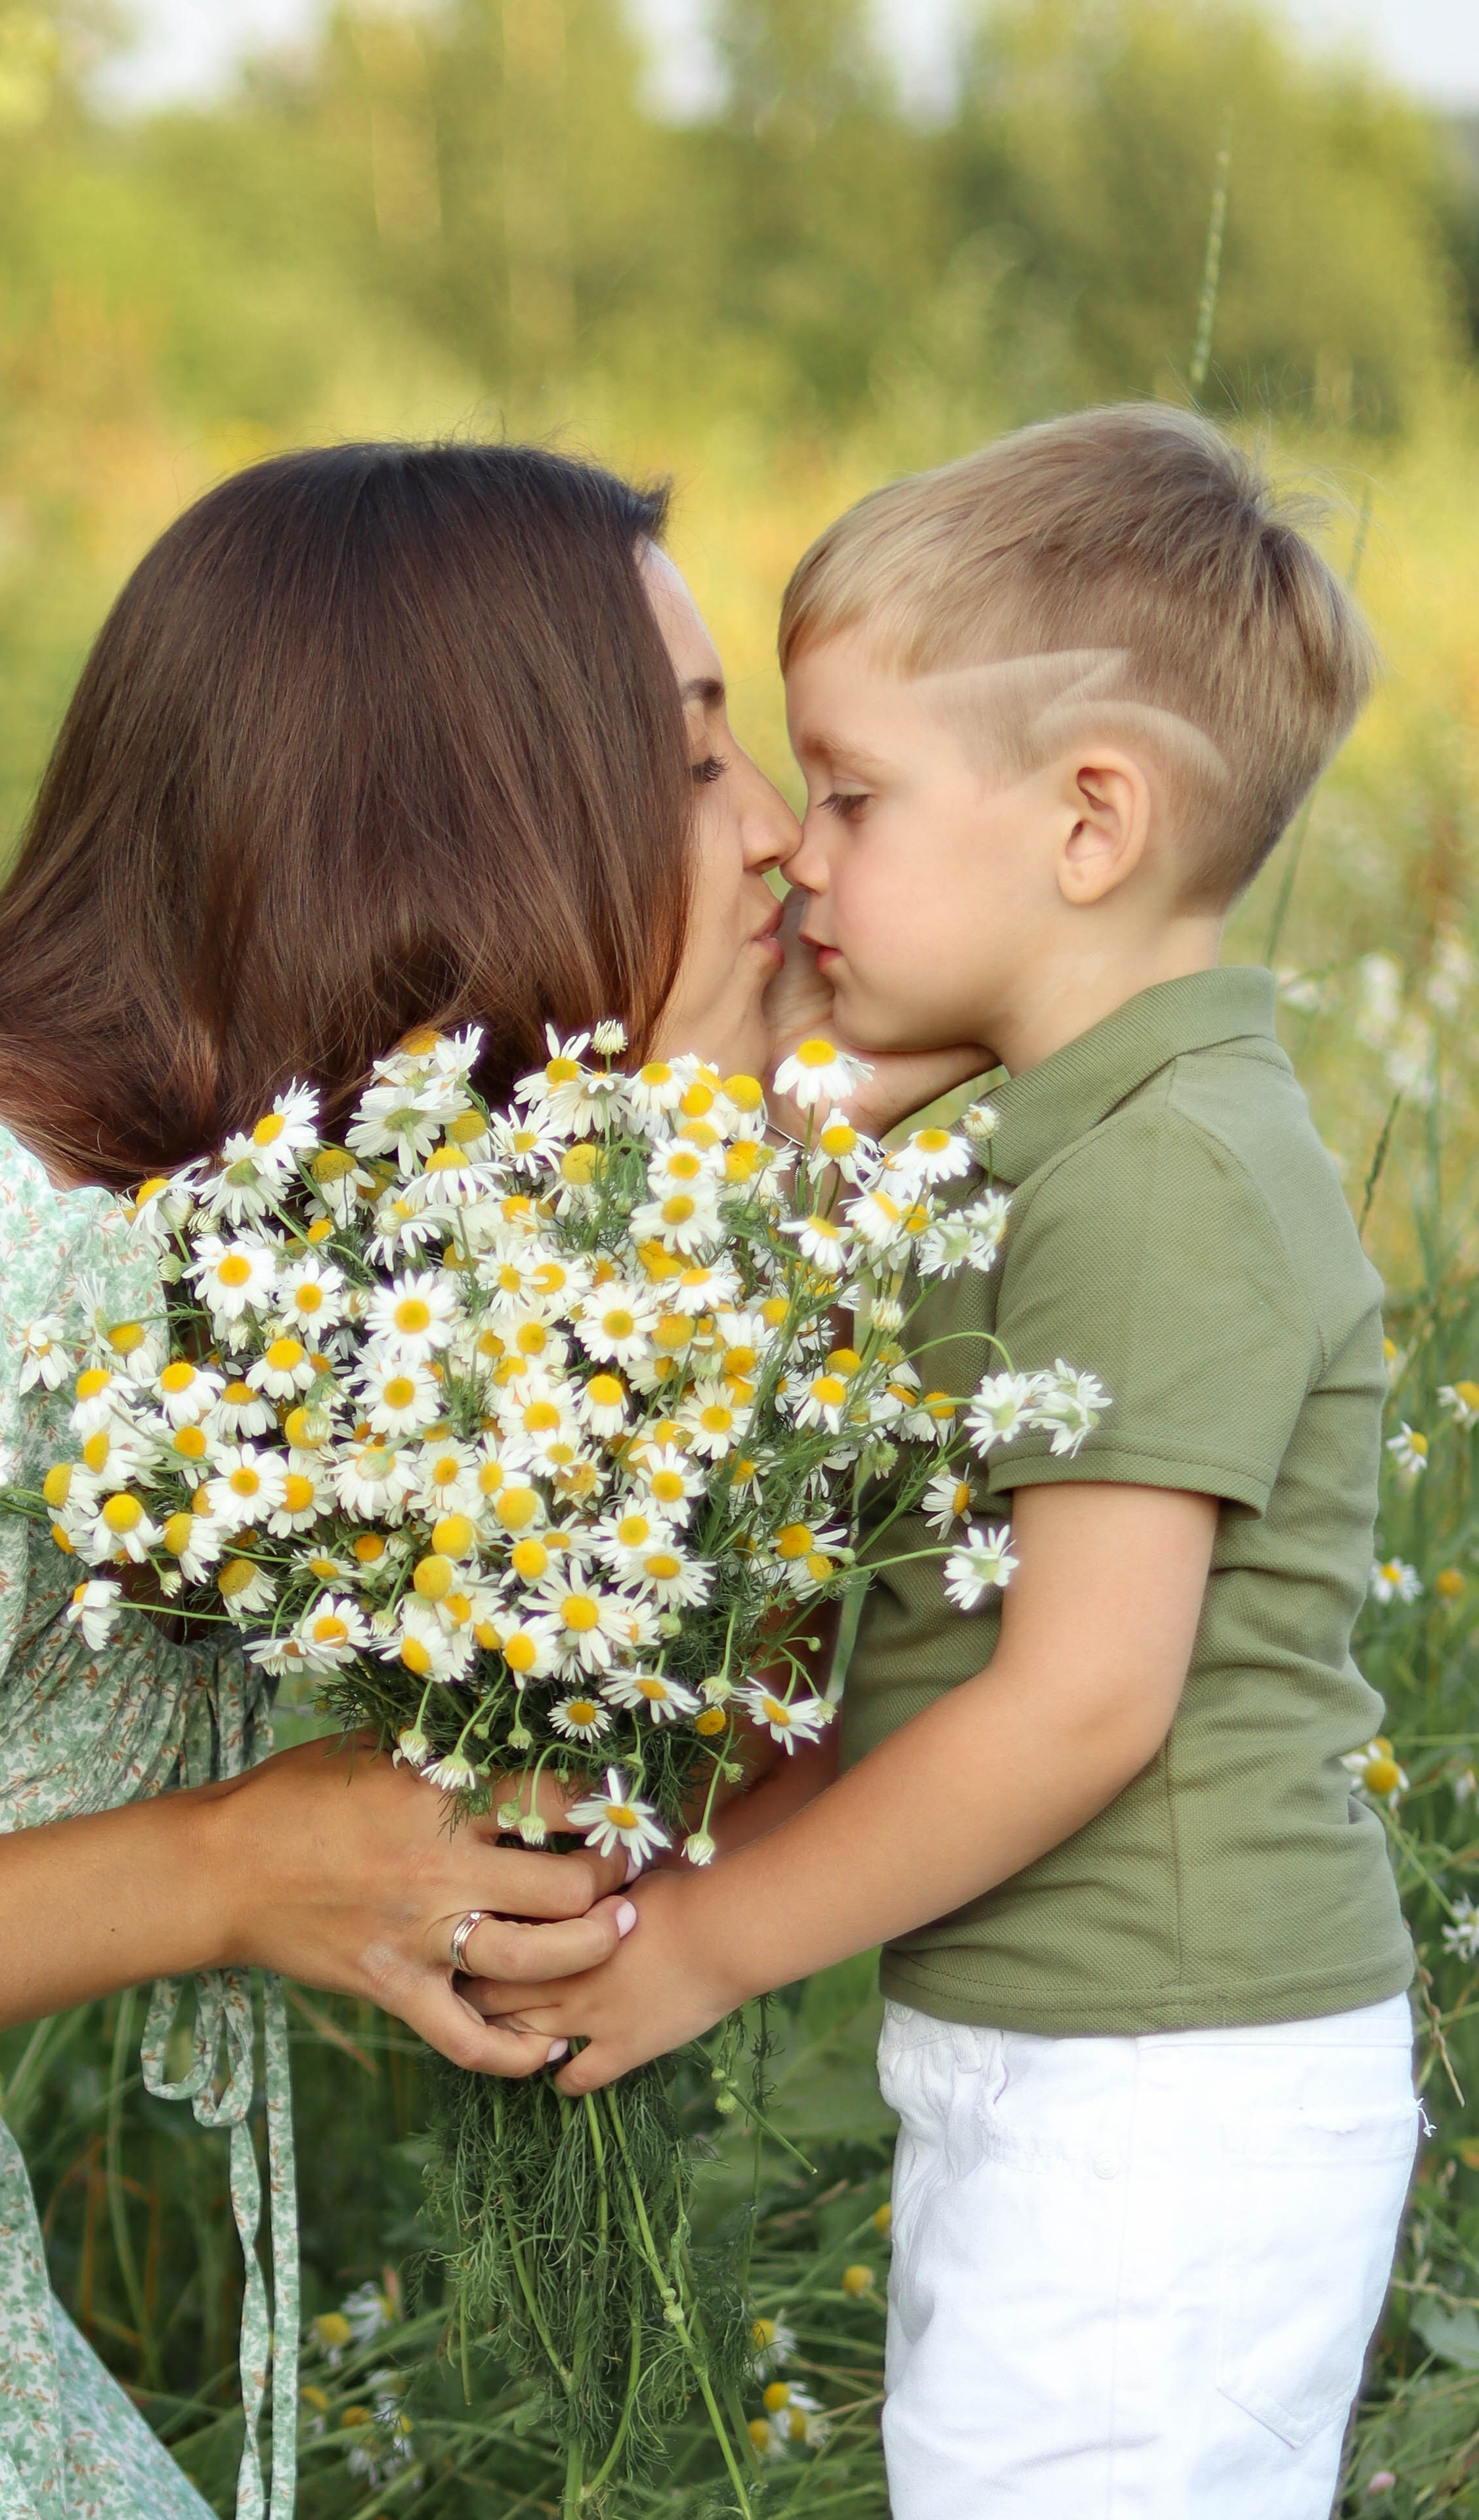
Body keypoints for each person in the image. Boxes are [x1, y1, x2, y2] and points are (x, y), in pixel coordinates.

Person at [0, 441, 799, 2517]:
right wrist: (235, 1873)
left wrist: (765, 1177)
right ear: (469, 824)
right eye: (703, 769)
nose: (786, 843)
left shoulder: (299, 1271)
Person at [470, 405, 1420, 2518]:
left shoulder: (1158, 1181)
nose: (797, 851)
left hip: (1165, 2090)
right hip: (1101, 2067)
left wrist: (709, 1944)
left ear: (1091, 824)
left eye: (856, 792)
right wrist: (846, 1105)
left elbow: (1081, 1702)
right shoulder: (1066, 1134)